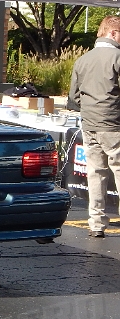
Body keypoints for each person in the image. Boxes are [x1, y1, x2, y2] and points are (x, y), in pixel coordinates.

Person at [68, 15, 120, 238]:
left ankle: (96, 223)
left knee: (95, 173)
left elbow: (73, 97)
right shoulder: (117, 57)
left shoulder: (82, 60)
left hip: (89, 123)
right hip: (114, 123)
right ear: (113, 33)